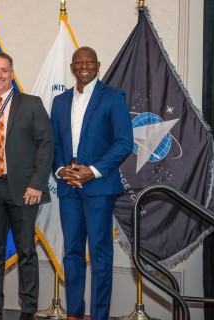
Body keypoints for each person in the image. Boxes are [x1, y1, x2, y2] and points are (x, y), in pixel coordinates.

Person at [51, 46, 133, 320]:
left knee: (99, 255)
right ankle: (74, 313)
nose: (84, 66)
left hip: (98, 186)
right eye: (78, 62)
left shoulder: (113, 97)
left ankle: (99, 316)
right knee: (72, 253)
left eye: (89, 62)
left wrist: (93, 171)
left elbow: (124, 142)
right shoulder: (60, 101)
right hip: (68, 186)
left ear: (98, 65)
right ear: (72, 67)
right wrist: (62, 169)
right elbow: (56, 144)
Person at [0, 52, 54, 320]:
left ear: (12, 72)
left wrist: (37, 184)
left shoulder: (31, 104)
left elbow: (46, 145)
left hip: (23, 189)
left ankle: (28, 308)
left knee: (26, 250)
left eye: (4, 70)